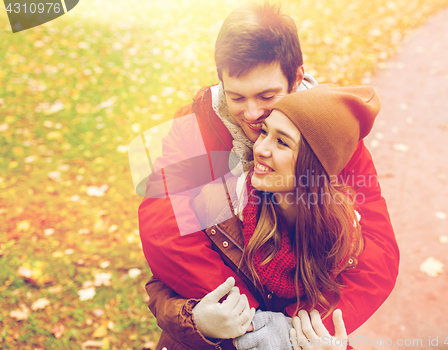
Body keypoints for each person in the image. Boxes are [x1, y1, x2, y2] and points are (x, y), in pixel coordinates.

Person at [138, 2, 399, 349]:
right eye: (237, 97)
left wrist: (301, 328)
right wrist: (255, 322)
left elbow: (377, 249)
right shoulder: (195, 130)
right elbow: (168, 232)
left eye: (267, 95)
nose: (253, 114)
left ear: (296, 77)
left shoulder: (330, 130)